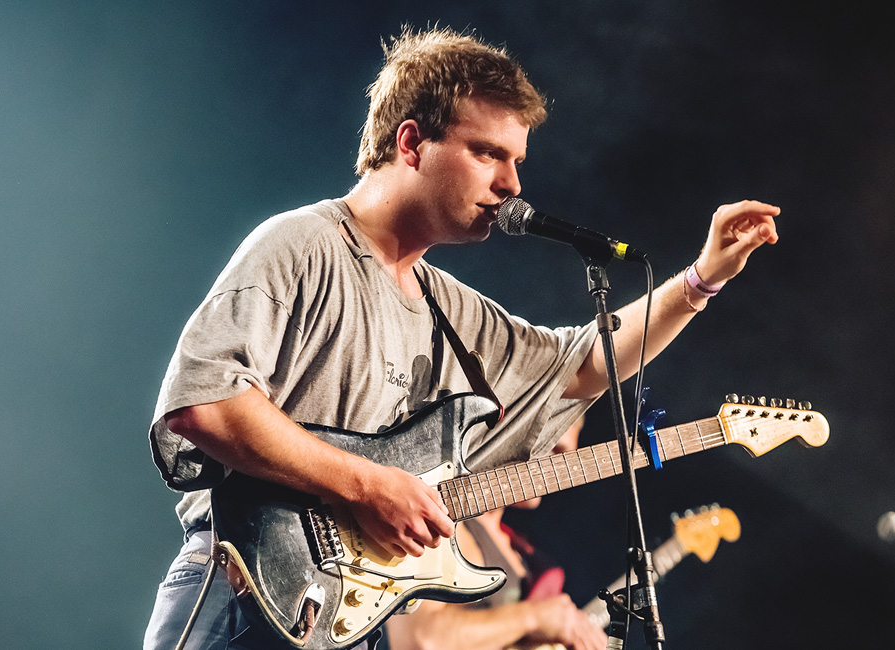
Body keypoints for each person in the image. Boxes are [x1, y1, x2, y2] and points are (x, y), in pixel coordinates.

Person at [142, 25, 780, 650]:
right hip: (240, 588)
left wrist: (701, 280)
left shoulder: (450, 307)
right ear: (412, 143)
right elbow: (205, 401)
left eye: (518, 161)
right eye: (487, 153)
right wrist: (366, 484)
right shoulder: (300, 246)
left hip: (344, 620)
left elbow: (586, 363)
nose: (512, 185)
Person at [383, 418, 609, 650]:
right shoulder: (447, 518)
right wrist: (533, 618)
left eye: (564, 458)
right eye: (553, 449)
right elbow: (419, 638)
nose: (558, 471)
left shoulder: (520, 549)